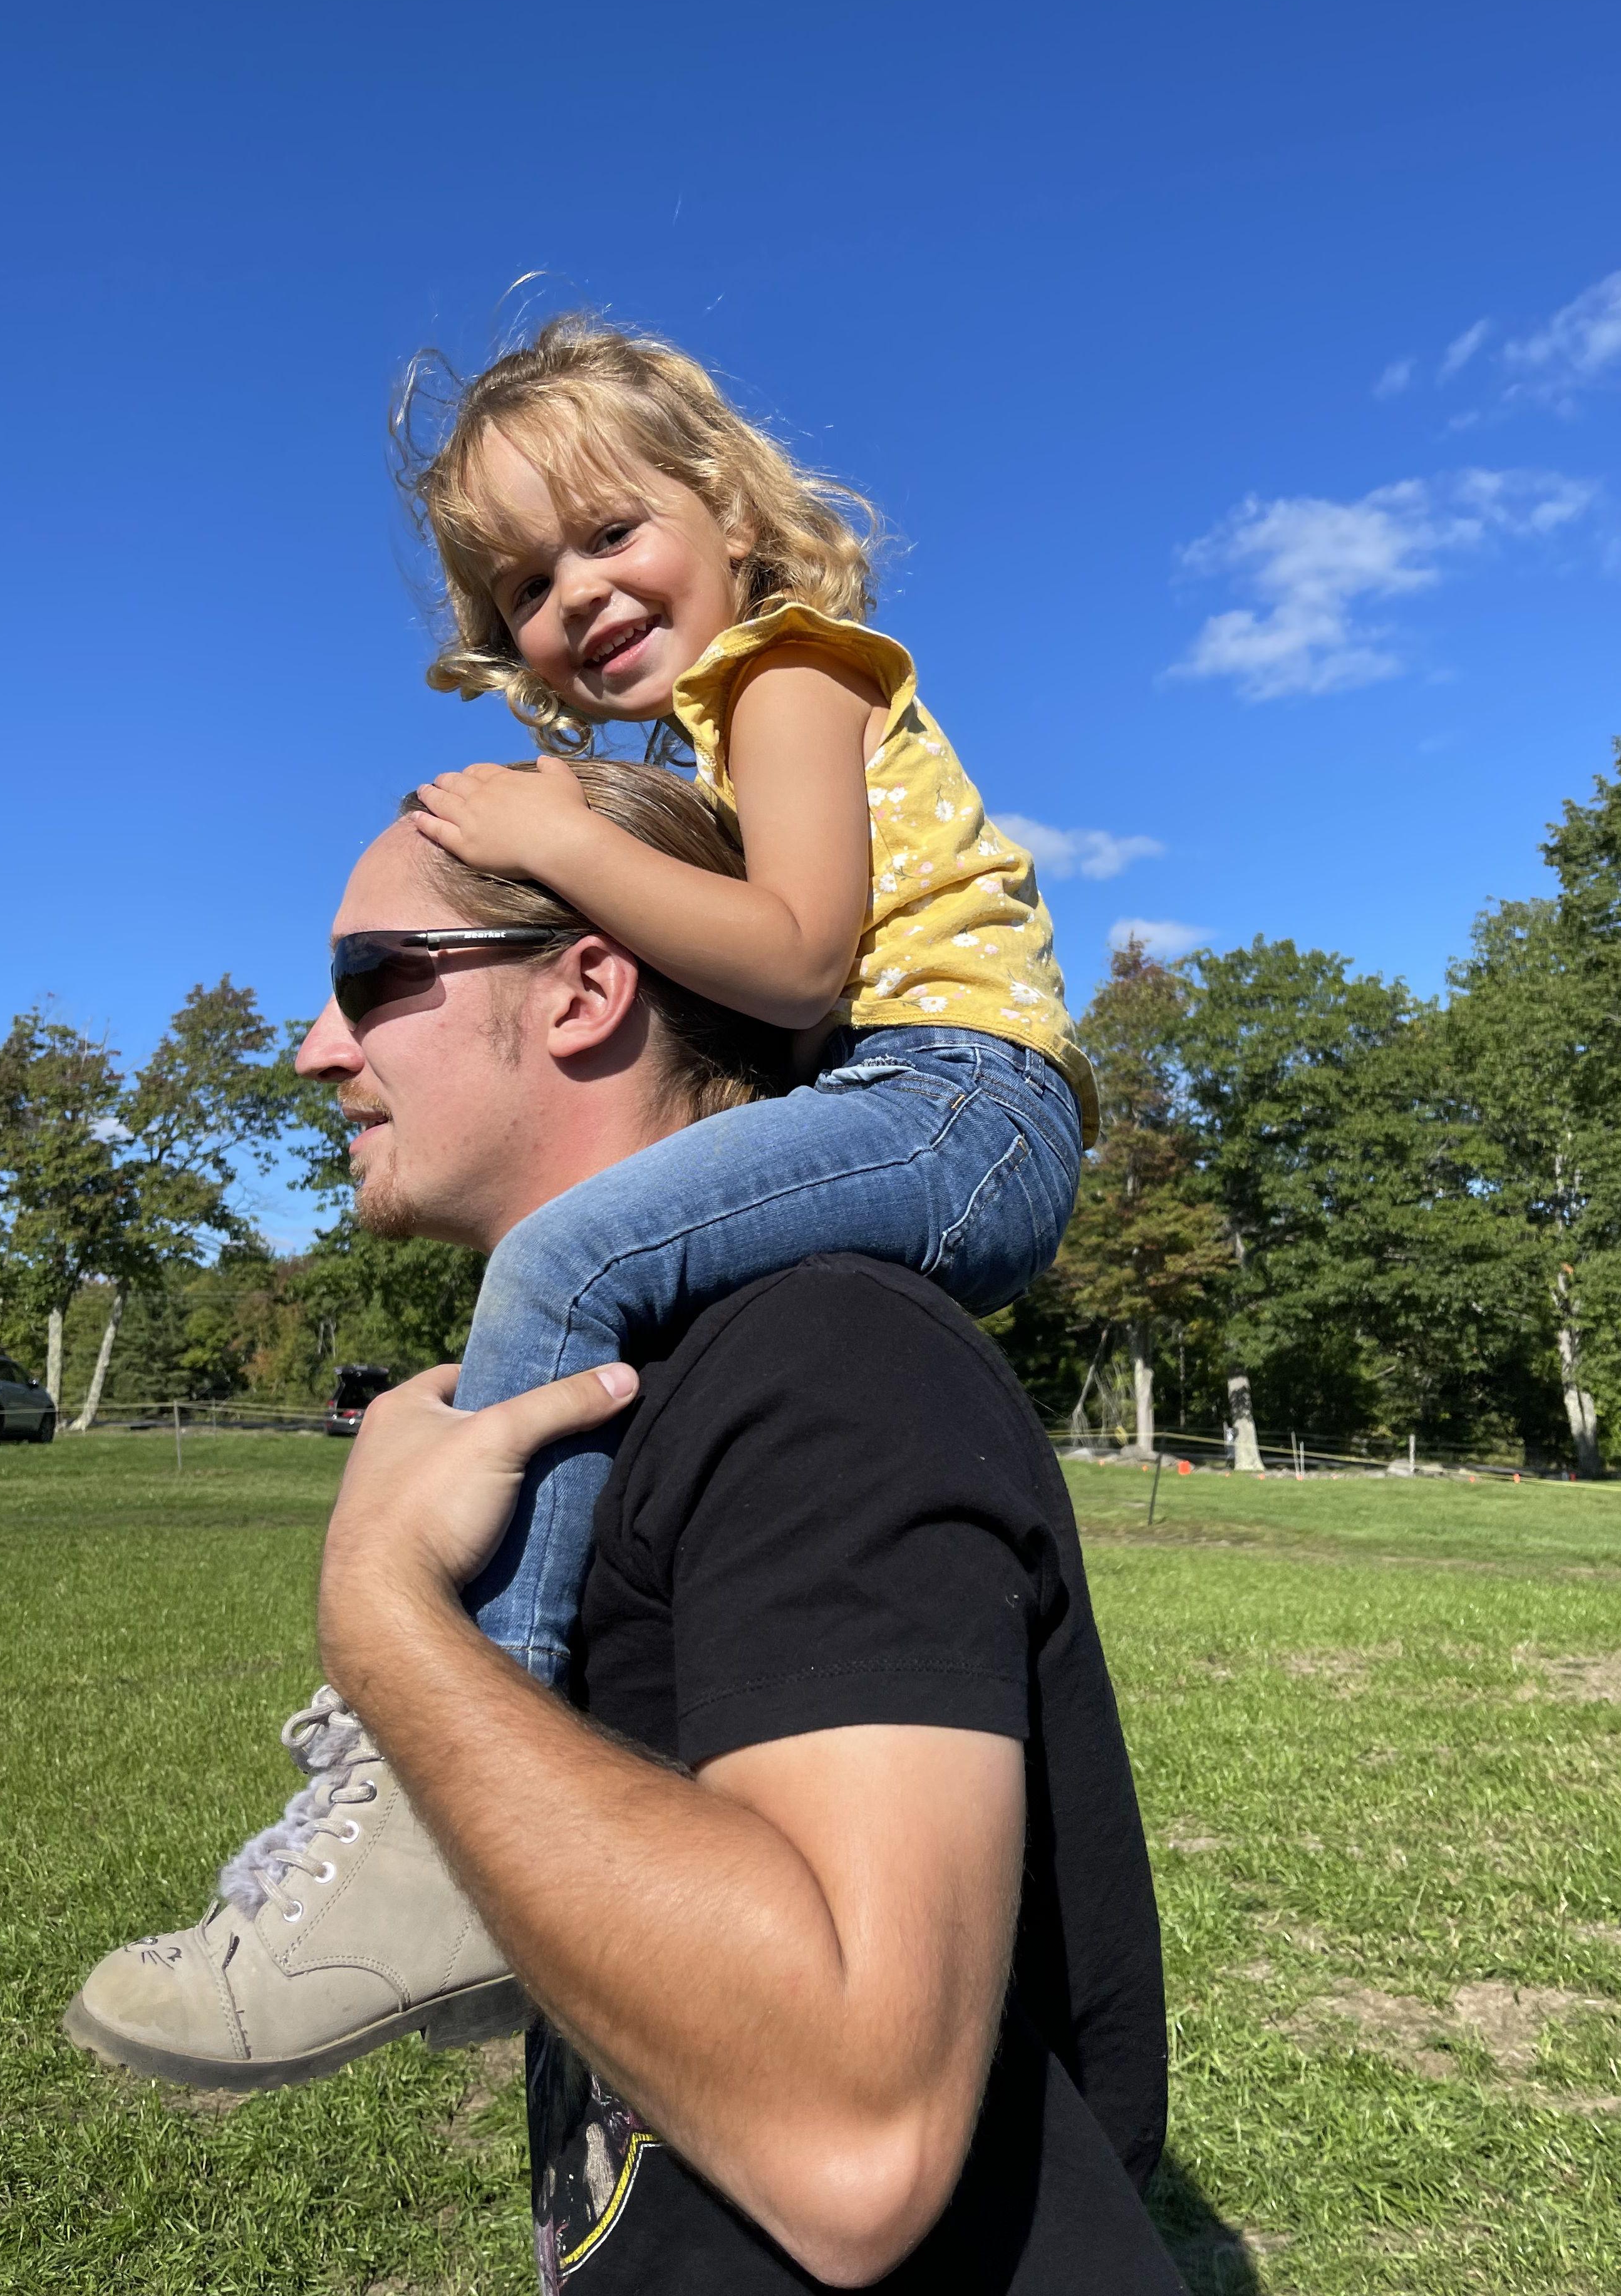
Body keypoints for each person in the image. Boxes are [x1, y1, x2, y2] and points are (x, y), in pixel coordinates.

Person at [69, 316, 1101, 2080]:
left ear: (732, 511)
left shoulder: (787, 677)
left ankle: (450, 1794)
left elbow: (792, 958)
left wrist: (554, 842)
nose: (581, 596)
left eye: (612, 532)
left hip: (959, 1099)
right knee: (622, 1297)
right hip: (914, 1097)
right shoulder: (720, 726)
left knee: (568, 1252)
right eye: (528, 583)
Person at [93, 772, 1181, 2287]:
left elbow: (856, 2146)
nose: (316, 1046)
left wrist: (387, 1610)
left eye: (368, 979)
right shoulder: (635, 1389)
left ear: (587, 990)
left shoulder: (823, 1362)